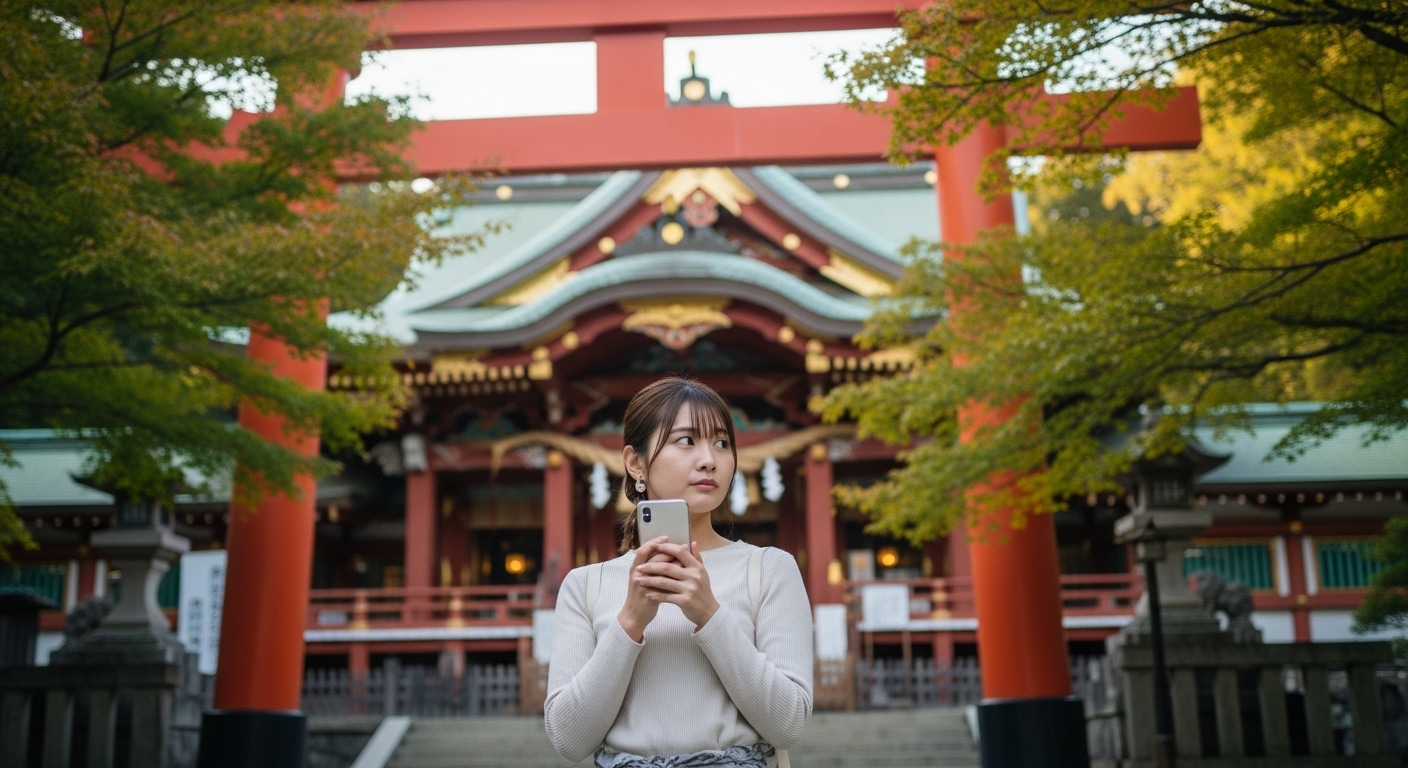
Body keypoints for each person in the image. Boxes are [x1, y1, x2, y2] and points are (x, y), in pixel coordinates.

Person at [545, 376, 813, 768]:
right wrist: (630, 621)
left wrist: (708, 613)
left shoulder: (769, 569)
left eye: (722, 443)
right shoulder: (586, 585)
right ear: (635, 463)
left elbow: (787, 725)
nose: (709, 459)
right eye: (686, 441)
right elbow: (569, 741)